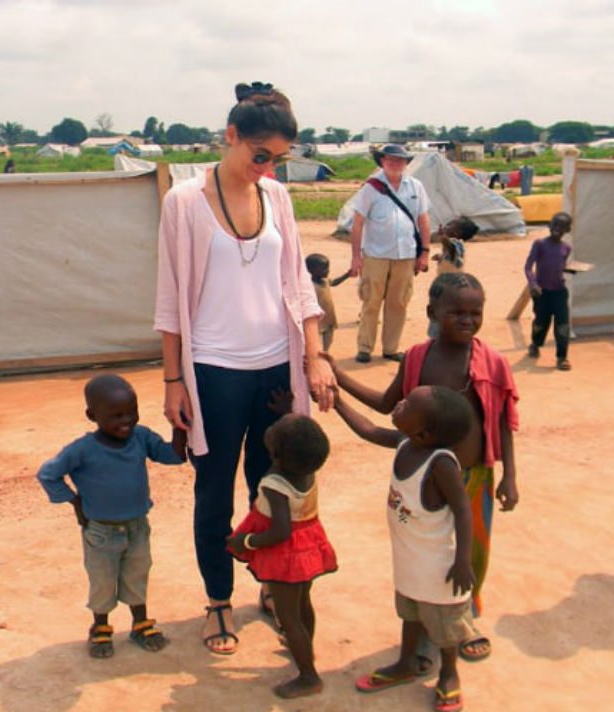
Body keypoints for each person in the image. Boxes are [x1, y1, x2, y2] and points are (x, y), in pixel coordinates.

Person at [153, 81, 337, 655]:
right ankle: (217, 600)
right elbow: (169, 299)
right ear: (229, 136)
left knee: (271, 485)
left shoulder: (276, 197)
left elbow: (297, 284)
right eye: (260, 155)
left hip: (274, 369)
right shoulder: (183, 202)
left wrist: (315, 356)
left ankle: (272, 588)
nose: (267, 167)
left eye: (278, 159)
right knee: (214, 492)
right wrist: (173, 379)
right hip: (213, 372)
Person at [325, 271, 518, 663]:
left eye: (475, 313)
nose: (467, 320)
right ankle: (433, 619)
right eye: (456, 312)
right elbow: (384, 405)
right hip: (425, 482)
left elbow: (502, 422)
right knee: (428, 554)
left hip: (474, 474)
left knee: (471, 552)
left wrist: (510, 477)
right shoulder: (417, 357)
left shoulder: (492, 362)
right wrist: (338, 377)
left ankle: (463, 619)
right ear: (433, 312)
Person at [335, 385, 475, 712]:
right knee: (410, 614)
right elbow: (368, 430)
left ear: (425, 432)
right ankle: (405, 663)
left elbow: (463, 510)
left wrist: (463, 560)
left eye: (408, 405)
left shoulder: (441, 464)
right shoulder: (407, 443)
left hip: (440, 567)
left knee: (445, 628)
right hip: (410, 560)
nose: (400, 403)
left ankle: (449, 675)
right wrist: (336, 400)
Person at [36, 374, 187, 658]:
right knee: (103, 582)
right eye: (116, 415)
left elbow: (173, 456)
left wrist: (179, 427)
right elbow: (48, 474)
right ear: (92, 415)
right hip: (101, 532)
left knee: (137, 575)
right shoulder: (82, 449)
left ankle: (141, 623)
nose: (126, 421)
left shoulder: (140, 437)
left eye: (132, 412)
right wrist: (74, 502)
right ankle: (100, 628)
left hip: (138, 527)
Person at [227, 413, 337, 699]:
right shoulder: (306, 470)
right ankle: (304, 649)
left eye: (274, 430)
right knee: (303, 604)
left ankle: (308, 676)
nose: (271, 426)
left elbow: (280, 532)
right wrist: (286, 409)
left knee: (288, 617)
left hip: (285, 555)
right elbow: (295, 441)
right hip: (308, 545)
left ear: (275, 455)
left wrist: (246, 541)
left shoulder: (275, 484)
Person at [348, 143, 431, 363]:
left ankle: (391, 348)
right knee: (371, 301)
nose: (395, 164)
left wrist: (425, 252)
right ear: (382, 162)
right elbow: (357, 225)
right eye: (390, 160)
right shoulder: (370, 189)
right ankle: (365, 347)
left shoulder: (416, 187)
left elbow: (423, 221)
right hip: (376, 255)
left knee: (399, 303)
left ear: (406, 163)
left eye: (399, 160)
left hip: (406, 256)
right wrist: (356, 257)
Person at [524, 212, 574, 371]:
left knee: (563, 325)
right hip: (542, 292)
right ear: (549, 225)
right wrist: (533, 283)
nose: (557, 229)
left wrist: (572, 270)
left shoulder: (566, 248)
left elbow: (561, 266)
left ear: (567, 229)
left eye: (562, 227)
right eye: (555, 225)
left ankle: (562, 357)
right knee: (540, 322)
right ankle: (535, 344)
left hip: (559, 291)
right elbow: (528, 267)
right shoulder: (539, 244)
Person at [305, 253, 351, 351]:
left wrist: (347, 275)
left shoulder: (325, 281)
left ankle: (326, 355)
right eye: (324, 268)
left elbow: (334, 282)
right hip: (318, 322)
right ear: (311, 270)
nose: (328, 271)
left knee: (328, 342)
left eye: (327, 268)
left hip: (329, 319)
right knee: (318, 346)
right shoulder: (310, 287)